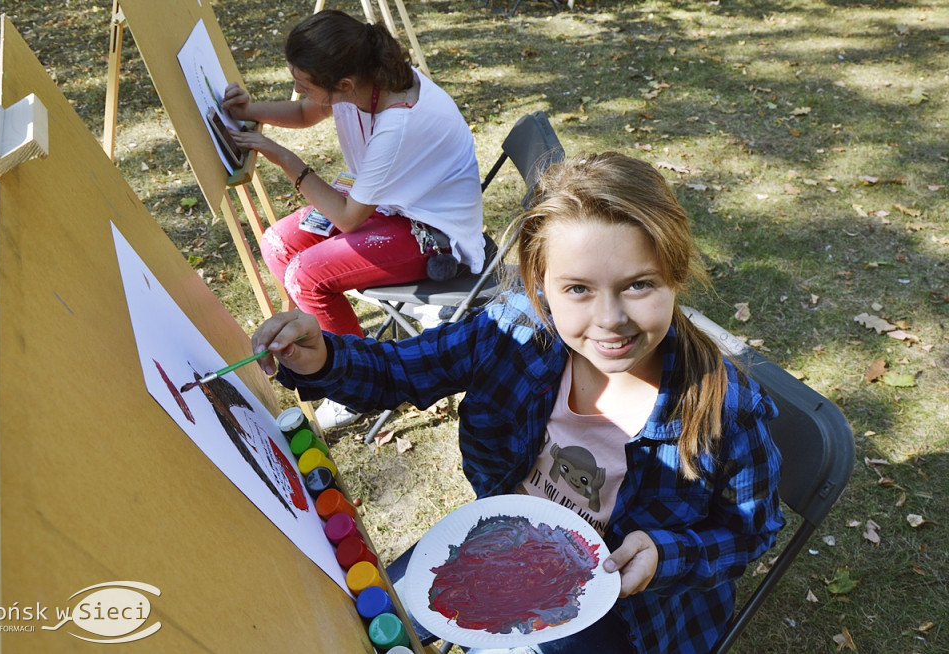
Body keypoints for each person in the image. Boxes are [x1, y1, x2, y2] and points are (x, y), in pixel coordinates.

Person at [251, 152, 784, 654]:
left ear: (676, 276)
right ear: (539, 284)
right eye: (577, 289)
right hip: (508, 541)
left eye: (639, 285)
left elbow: (749, 530)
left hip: (629, 614)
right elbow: (403, 370)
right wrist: (322, 357)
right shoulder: (515, 332)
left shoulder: (725, 411)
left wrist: (669, 555)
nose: (610, 319)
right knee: (364, 621)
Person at [224, 9, 484, 428]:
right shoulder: (364, 81)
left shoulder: (396, 122)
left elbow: (346, 217)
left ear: (342, 85)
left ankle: (355, 382)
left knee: (306, 274)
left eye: (303, 83)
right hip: (391, 207)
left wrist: (282, 156)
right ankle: (334, 349)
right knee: (279, 243)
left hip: (433, 233)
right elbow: (310, 112)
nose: (297, 90)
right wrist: (250, 110)